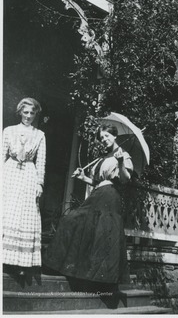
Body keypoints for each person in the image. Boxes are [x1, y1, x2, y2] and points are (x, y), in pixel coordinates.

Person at [43, 124, 133, 291]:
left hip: (110, 197)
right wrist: (83, 177)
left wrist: (120, 162)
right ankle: (73, 269)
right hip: (96, 196)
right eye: (102, 138)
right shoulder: (103, 157)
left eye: (107, 136)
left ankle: (100, 279)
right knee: (72, 220)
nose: (104, 140)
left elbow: (125, 179)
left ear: (114, 136)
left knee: (101, 234)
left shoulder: (123, 155)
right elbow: (97, 182)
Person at [2, 97, 46, 275]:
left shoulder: (40, 135)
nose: (28, 116)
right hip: (10, 172)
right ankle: (4, 258)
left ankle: (20, 261)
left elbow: (41, 161)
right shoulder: (9, 130)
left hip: (29, 173)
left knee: (25, 213)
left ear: (36, 114)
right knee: (7, 211)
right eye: (25, 112)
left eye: (32, 113)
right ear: (20, 112)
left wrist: (40, 183)